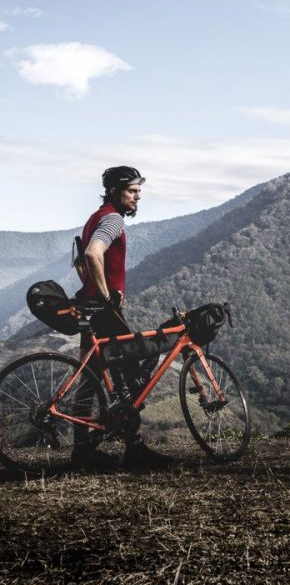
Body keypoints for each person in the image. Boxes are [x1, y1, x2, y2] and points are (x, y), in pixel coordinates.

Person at [73, 166, 173, 470]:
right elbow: (92, 255)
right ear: (115, 192)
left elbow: (79, 262)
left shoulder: (96, 217)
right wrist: (107, 296)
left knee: (90, 379)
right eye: (132, 191)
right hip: (104, 312)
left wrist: (94, 288)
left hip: (90, 308)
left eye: (139, 191)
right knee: (130, 378)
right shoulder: (113, 219)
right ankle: (135, 449)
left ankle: (82, 450)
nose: (138, 196)